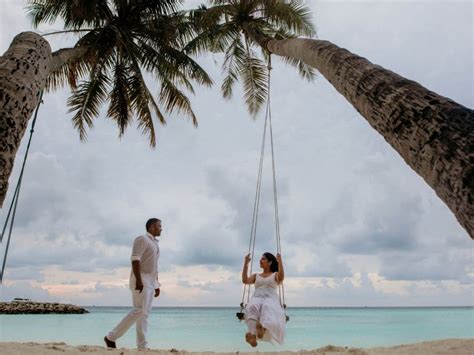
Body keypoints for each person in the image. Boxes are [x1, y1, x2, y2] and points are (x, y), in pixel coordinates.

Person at [104, 218, 162, 350]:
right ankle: (111, 337)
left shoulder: (155, 243)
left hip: (151, 282)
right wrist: (139, 280)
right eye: (159, 226)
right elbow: (135, 259)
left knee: (144, 314)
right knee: (139, 310)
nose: (161, 228)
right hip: (140, 281)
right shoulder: (141, 239)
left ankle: (142, 345)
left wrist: (157, 284)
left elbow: (154, 265)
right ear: (152, 226)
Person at [241, 252, 286, 347]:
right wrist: (246, 263)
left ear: (269, 263)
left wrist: (280, 261)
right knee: (252, 307)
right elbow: (245, 280)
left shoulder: (275, 275)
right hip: (257, 297)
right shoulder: (256, 276)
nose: (260, 260)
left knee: (267, 307)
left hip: (270, 297)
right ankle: (252, 335)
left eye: (263, 259)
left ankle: (263, 329)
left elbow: (281, 277)